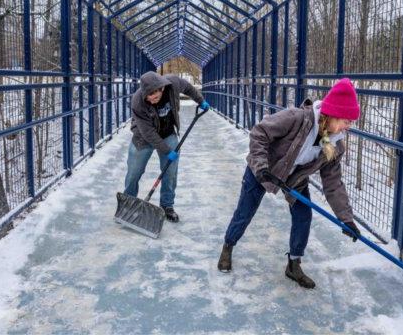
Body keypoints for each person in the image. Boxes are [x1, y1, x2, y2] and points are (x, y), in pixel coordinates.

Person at [217, 78, 361, 289]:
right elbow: (260, 133)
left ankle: (294, 264)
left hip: (294, 178)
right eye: (347, 121)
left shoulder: (336, 144)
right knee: (245, 211)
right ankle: (228, 246)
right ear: (332, 115)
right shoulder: (297, 118)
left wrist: (346, 219)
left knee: (303, 215)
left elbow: (333, 183)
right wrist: (261, 166)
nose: (348, 127)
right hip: (263, 169)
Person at [124, 71, 209, 222]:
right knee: (134, 172)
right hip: (143, 138)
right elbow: (148, 132)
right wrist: (166, 151)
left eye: (155, 96)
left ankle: (167, 206)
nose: (152, 99)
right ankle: (128, 203)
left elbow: (188, 88)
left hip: (168, 133)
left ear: (161, 89)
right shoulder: (138, 101)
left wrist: (200, 100)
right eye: (148, 97)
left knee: (170, 172)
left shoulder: (173, 83)